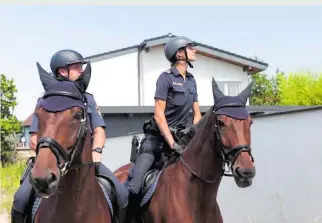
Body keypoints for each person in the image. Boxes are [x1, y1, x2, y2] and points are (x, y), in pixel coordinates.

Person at [11, 49, 128, 223]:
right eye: (76, 67)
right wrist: (51, 158)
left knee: (122, 194)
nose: (81, 71)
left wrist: (96, 150)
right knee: (20, 199)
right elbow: (34, 139)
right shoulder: (44, 101)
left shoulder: (87, 99)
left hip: (86, 162)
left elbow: (99, 131)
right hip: (49, 162)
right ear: (62, 71)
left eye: (81, 67)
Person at [126, 36, 202, 200]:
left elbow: (197, 114)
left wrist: (191, 138)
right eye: (190, 48)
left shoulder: (191, 80)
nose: (194, 50)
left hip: (181, 142)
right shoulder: (165, 78)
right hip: (157, 142)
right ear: (180, 54)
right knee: (134, 187)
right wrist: (172, 143)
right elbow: (159, 115)